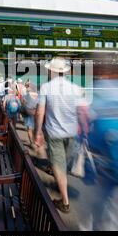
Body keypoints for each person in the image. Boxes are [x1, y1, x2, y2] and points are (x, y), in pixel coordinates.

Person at [34, 57, 88, 213]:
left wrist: (38, 132)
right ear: (64, 72)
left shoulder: (45, 87)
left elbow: (40, 112)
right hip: (71, 134)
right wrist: (84, 131)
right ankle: (61, 188)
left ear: (51, 71)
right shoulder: (75, 88)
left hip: (55, 134)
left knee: (60, 166)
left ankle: (65, 202)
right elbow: (82, 112)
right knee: (61, 165)